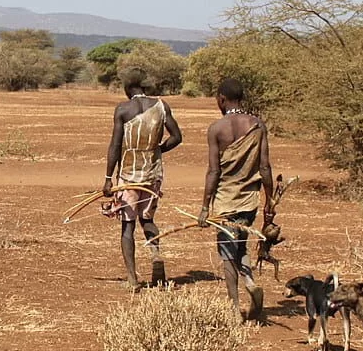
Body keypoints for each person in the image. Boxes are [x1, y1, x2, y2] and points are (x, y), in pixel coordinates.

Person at [197, 77, 275, 323]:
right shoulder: (257, 125)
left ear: (221, 98)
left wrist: (204, 207)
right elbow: (264, 167)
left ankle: (234, 307)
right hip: (249, 200)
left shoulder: (217, 129)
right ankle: (250, 283)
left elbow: (213, 171)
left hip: (224, 201)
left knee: (227, 253)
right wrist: (269, 200)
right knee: (241, 245)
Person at [102, 69, 182, 291]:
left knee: (127, 226)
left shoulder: (123, 109)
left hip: (128, 175)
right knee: (147, 219)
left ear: (128, 89)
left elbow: (115, 146)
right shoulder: (161, 106)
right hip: (153, 174)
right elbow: (177, 137)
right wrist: (156, 151)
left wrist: (109, 178)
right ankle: (156, 255)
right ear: (144, 87)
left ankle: (132, 279)